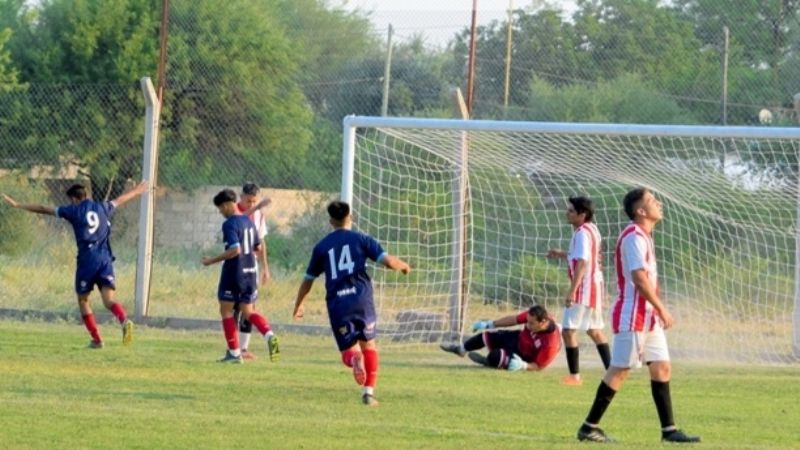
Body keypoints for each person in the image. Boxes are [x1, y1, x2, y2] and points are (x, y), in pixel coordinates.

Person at [576, 188, 700, 444]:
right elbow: (639, 279)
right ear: (640, 211)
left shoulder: (645, 236)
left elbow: (649, 278)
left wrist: (657, 306)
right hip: (633, 315)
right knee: (620, 369)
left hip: (648, 315)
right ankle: (589, 427)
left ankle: (669, 431)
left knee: (662, 367)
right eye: (653, 201)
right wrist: (662, 307)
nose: (659, 203)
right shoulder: (633, 236)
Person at [292, 201, 410, 407]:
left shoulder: (321, 247)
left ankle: (354, 359)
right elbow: (388, 262)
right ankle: (368, 394)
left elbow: (308, 280)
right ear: (351, 217)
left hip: (338, 303)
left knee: (348, 350)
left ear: (331, 222)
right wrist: (404, 266)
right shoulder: (362, 239)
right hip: (362, 300)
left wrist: (299, 304)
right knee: (369, 345)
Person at [2, 181, 147, 348]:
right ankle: (124, 320)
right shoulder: (103, 207)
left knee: (83, 300)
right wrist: (136, 191)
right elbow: (121, 199)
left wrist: (18, 205)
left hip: (87, 260)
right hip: (106, 259)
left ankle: (97, 340)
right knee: (109, 301)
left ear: (74, 199)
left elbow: (43, 208)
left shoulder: (73, 210)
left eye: (71, 200)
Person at [202, 189, 279, 364]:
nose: (221, 212)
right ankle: (269, 335)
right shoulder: (249, 222)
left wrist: (211, 260)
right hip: (251, 271)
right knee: (248, 311)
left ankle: (234, 354)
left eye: (221, 208)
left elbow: (235, 250)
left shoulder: (230, 224)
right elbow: (258, 248)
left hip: (235, 272)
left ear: (228, 205)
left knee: (226, 310)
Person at [546, 196, 611, 386]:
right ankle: (613, 371)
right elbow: (586, 257)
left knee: (568, 331)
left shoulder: (582, 233)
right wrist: (563, 254)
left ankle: (575, 377)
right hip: (594, 287)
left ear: (582, 214)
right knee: (594, 330)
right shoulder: (593, 230)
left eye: (571, 211)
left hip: (584, 289)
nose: (567, 213)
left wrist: (572, 291)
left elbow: (583, 262)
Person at [440, 305, 561, 372]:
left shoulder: (550, 344)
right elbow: (514, 320)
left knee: (496, 356)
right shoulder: (533, 316)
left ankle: (489, 362)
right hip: (517, 339)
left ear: (543, 322)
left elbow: (539, 366)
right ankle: (461, 349)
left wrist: (523, 365)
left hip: (523, 356)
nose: (528, 325)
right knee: (485, 336)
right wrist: (490, 324)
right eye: (527, 322)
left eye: (531, 324)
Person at [232, 182, 271, 360]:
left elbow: (261, 243)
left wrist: (265, 268)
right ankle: (232, 347)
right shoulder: (234, 211)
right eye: (248, 201)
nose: (251, 204)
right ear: (241, 197)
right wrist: (257, 207)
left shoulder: (259, 216)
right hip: (234, 264)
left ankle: (244, 348)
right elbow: (237, 220)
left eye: (254, 201)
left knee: (250, 305)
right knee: (233, 305)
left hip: (251, 266)